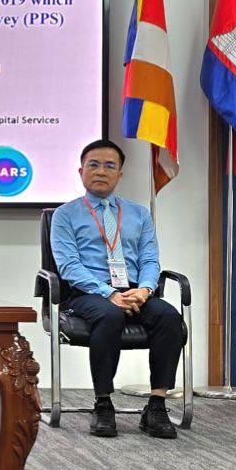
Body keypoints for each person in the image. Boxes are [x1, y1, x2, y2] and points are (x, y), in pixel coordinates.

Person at [49, 139, 183, 439]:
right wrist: (108, 293)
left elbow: (150, 259)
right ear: (81, 171)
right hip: (87, 294)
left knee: (169, 316)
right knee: (110, 314)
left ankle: (157, 405)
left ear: (120, 174)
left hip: (134, 291)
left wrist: (145, 289)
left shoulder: (139, 214)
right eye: (94, 165)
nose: (101, 171)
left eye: (110, 166)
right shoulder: (65, 215)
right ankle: (103, 403)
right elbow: (69, 266)